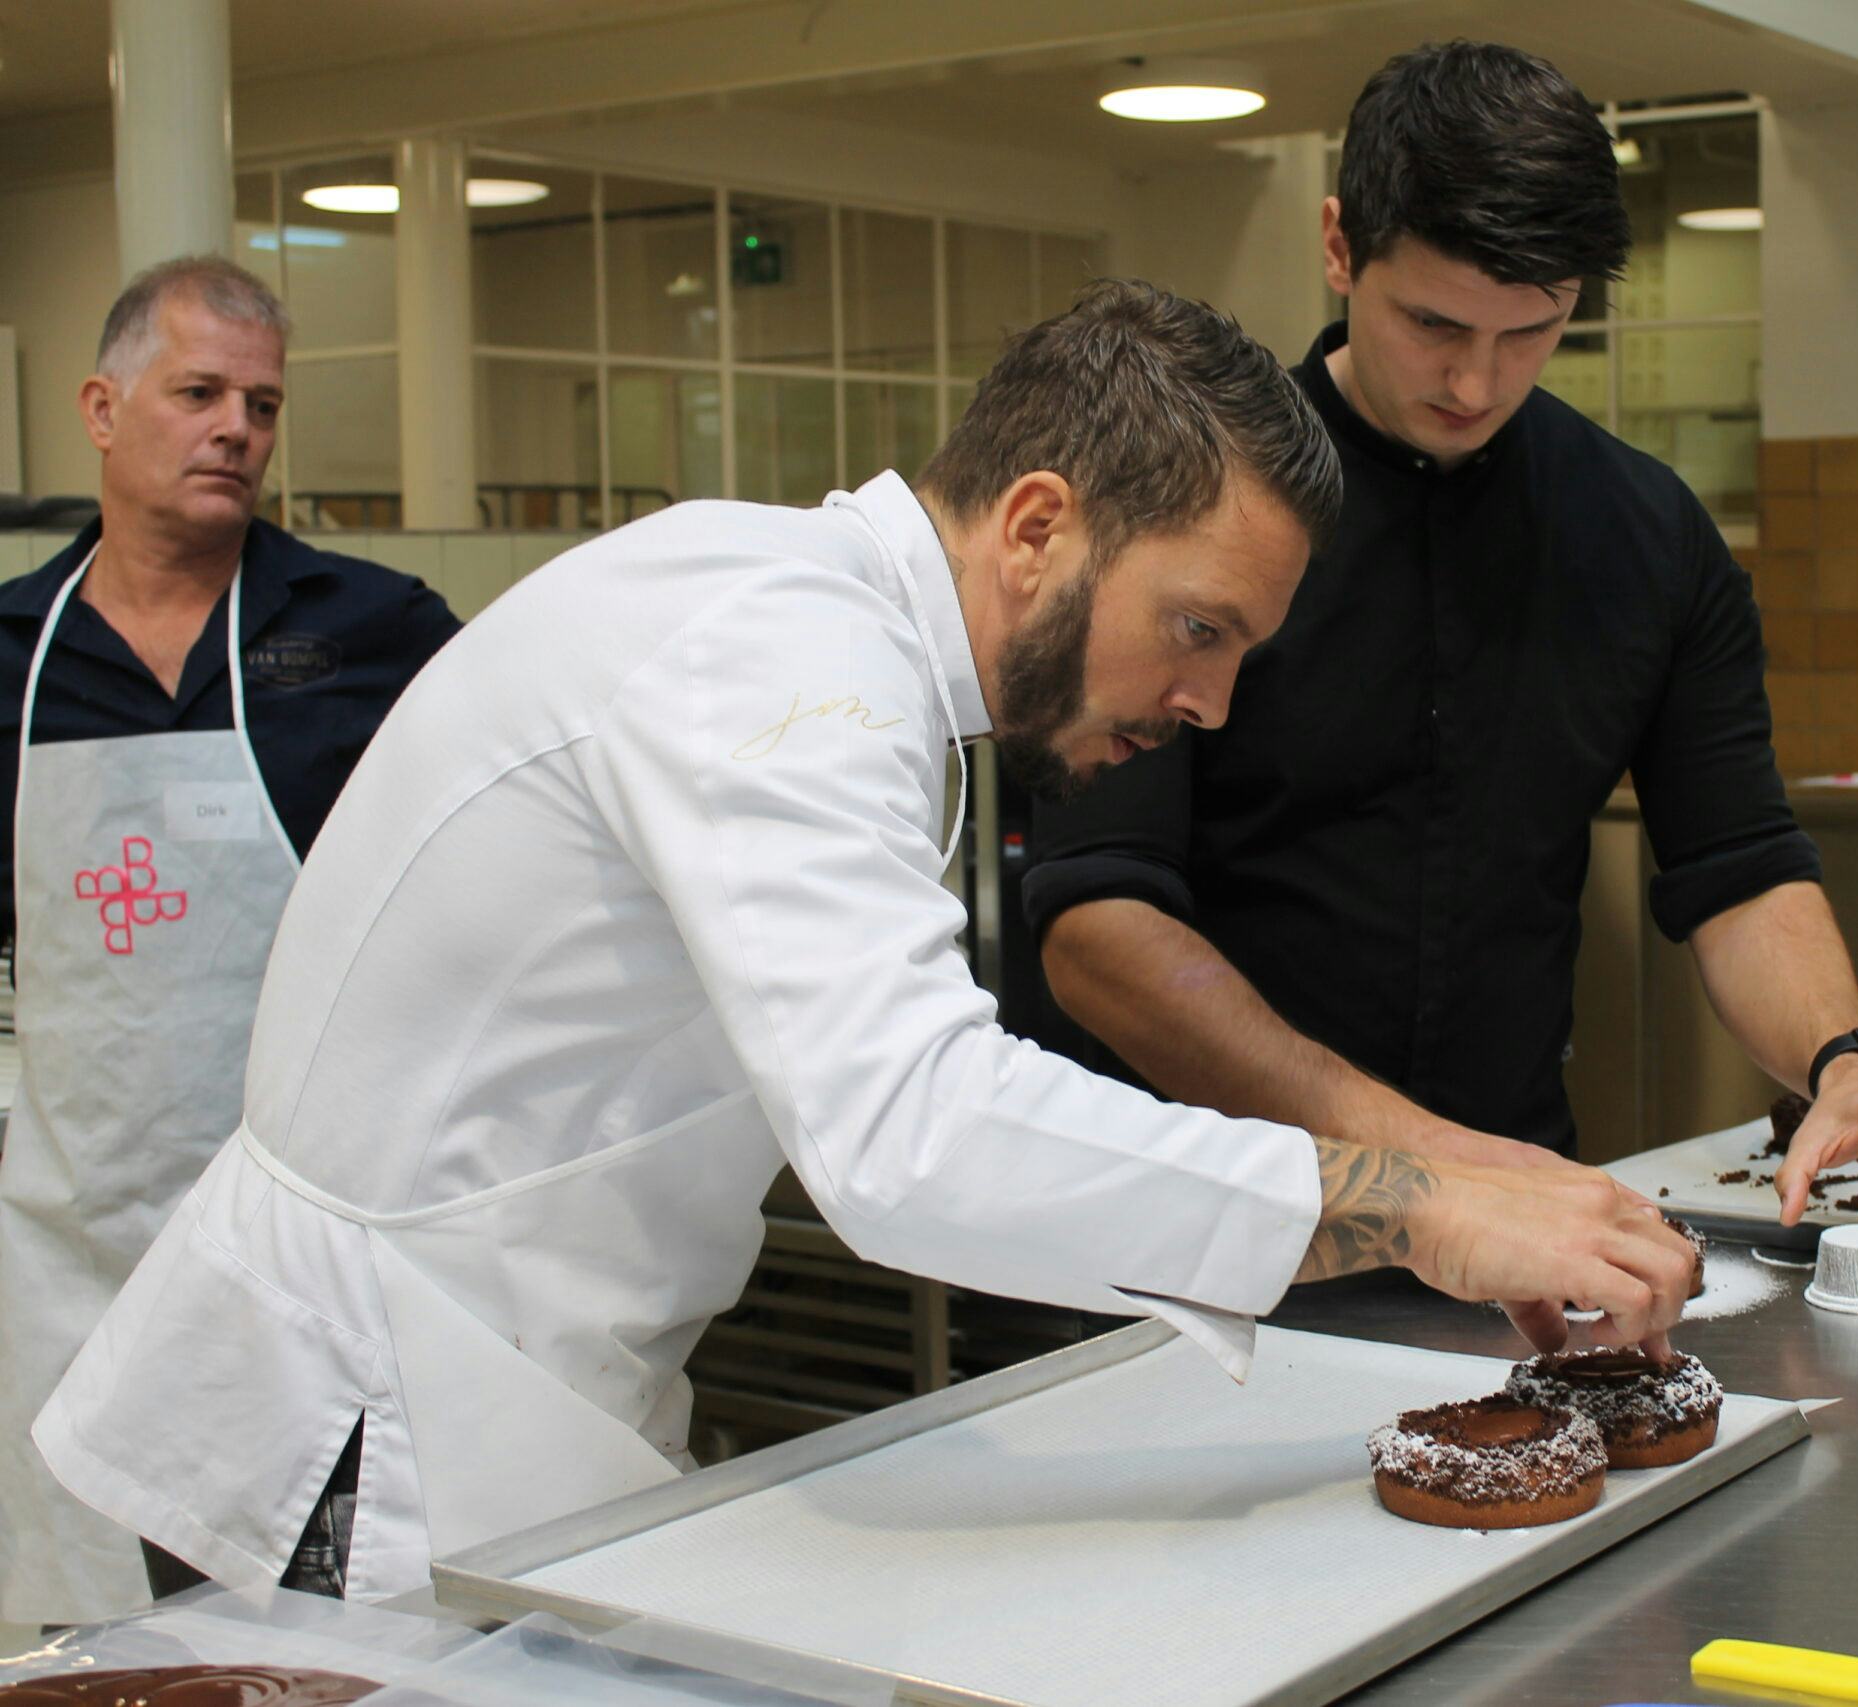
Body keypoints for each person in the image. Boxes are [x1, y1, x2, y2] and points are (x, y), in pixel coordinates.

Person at [36, 281, 1696, 1605]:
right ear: (1037, 528)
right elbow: (909, 1132)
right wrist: (1415, 1207)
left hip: (517, 1394)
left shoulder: (830, 643)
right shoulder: (782, 650)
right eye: (1198, 628)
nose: (1208, 702)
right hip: (363, 1431)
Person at [1024, 42, 1858, 1246]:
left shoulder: (1645, 535)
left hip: (1514, 1219)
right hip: (1202, 1214)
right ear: (1339, 247)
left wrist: (1843, 1063)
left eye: (1530, 331)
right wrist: (1419, 1166)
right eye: (1432, 322)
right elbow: (1098, 927)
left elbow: (1738, 862)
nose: (1475, 381)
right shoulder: (1182, 515)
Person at [0, 257, 459, 1624]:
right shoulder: (11, 646)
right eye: (198, 392)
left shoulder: (371, 629)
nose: (236, 430)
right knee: (98, 1620)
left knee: (305, 1614)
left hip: (298, 1221)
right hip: (72, 1217)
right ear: (101, 405)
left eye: (261, 404)